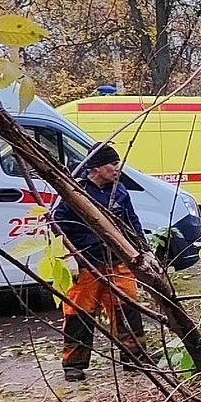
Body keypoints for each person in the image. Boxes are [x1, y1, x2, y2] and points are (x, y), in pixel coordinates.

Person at [51, 144, 149, 382]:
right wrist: (81, 251)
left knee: (128, 308)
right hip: (88, 264)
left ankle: (135, 358)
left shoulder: (120, 190)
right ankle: (74, 364)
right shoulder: (75, 193)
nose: (118, 169)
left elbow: (132, 222)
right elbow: (58, 224)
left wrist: (144, 250)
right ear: (96, 168)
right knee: (79, 313)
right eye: (112, 165)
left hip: (119, 262)